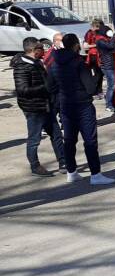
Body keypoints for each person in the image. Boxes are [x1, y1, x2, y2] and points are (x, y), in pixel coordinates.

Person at [49, 33, 115, 186]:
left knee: (70, 140)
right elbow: (91, 88)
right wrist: (95, 75)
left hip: (66, 106)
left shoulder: (54, 63)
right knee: (90, 141)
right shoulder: (78, 63)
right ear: (75, 45)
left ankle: (71, 172)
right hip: (83, 106)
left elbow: (50, 86)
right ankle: (95, 174)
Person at [13, 37, 65, 177]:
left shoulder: (37, 62)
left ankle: (63, 162)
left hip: (46, 106)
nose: (44, 50)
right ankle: (35, 166)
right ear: (33, 50)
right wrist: (45, 88)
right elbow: (22, 89)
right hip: (34, 109)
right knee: (34, 139)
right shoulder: (21, 66)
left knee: (56, 135)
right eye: (41, 48)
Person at [92, 25, 115, 113]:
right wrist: (114, 37)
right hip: (107, 66)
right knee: (112, 85)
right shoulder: (100, 41)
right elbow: (110, 46)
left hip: (111, 65)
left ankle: (113, 103)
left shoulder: (105, 39)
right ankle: (109, 105)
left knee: (114, 85)